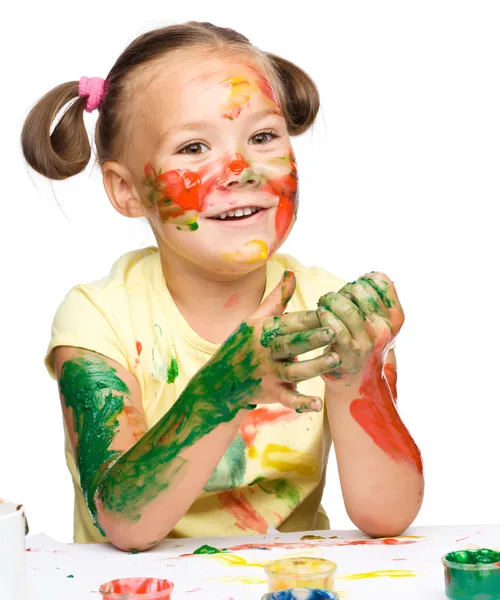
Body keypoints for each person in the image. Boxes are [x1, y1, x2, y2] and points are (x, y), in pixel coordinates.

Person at [21, 22, 424, 552]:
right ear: (126, 190)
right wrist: (222, 392)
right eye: (193, 147)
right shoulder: (98, 318)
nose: (240, 169)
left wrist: (359, 379)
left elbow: (388, 517)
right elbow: (123, 524)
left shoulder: (328, 310)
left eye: (262, 137)